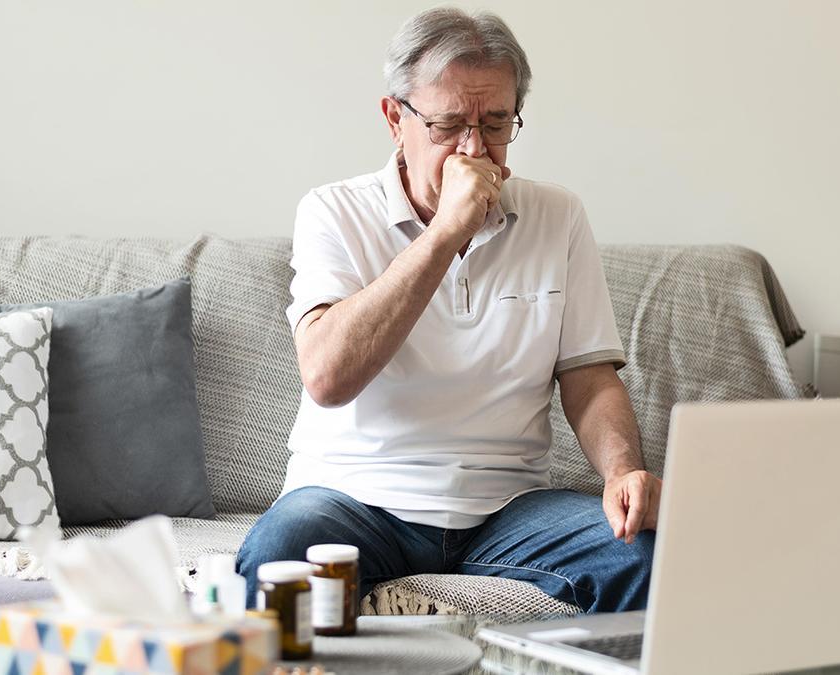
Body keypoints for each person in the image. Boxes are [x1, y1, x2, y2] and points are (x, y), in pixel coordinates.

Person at [236, 7, 661, 613]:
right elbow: (327, 377)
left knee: (649, 553)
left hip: (508, 508)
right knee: (281, 556)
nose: (475, 150)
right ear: (394, 119)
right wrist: (444, 234)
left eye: (495, 123)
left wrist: (622, 474)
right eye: (448, 125)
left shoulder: (557, 215)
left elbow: (589, 378)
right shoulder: (331, 211)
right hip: (354, 498)